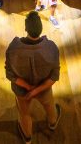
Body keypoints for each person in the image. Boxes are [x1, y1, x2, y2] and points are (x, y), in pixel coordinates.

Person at [5, 11, 61, 144]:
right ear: (41, 28)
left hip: (22, 91)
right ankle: (53, 123)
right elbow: (54, 76)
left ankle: (27, 136)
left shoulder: (13, 48)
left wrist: (29, 88)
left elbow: (10, 74)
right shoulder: (51, 47)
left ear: (26, 28)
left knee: (24, 113)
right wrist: (37, 90)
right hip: (44, 88)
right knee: (49, 105)